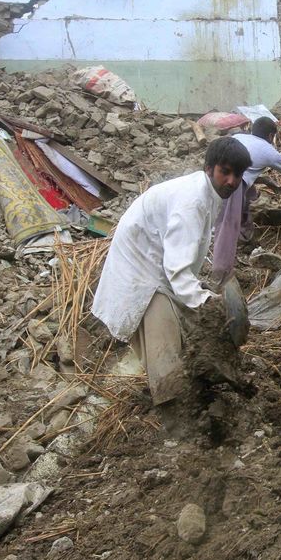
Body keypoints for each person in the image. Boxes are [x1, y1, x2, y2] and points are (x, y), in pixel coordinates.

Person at [91, 137, 251, 405]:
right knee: (162, 342)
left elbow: (185, 255)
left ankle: (194, 385)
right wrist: (208, 302)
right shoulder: (193, 201)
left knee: (186, 319)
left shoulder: (208, 194)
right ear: (209, 167)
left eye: (238, 175)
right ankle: (174, 412)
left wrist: (200, 298)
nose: (232, 181)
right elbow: (177, 270)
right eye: (226, 172)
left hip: (155, 263)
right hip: (141, 270)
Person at [212, 117, 281, 280]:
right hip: (233, 185)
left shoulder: (239, 137)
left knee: (251, 195)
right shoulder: (270, 151)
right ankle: (221, 271)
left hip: (218, 178)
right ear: (270, 136)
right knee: (227, 226)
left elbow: (247, 169)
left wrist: (267, 182)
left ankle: (245, 237)